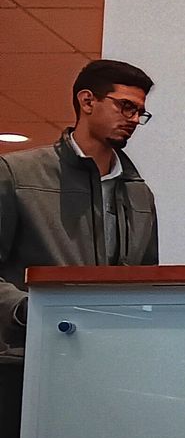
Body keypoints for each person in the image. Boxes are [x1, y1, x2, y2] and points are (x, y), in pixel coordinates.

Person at [0, 60, 160, 354]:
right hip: (29, 357)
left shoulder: (140, 195)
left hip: (110, 357)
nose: (134, 119)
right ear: (87, 101)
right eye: (125, 106)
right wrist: (26, 311)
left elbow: (146, 280)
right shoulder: (17, 173)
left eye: (139, 112)